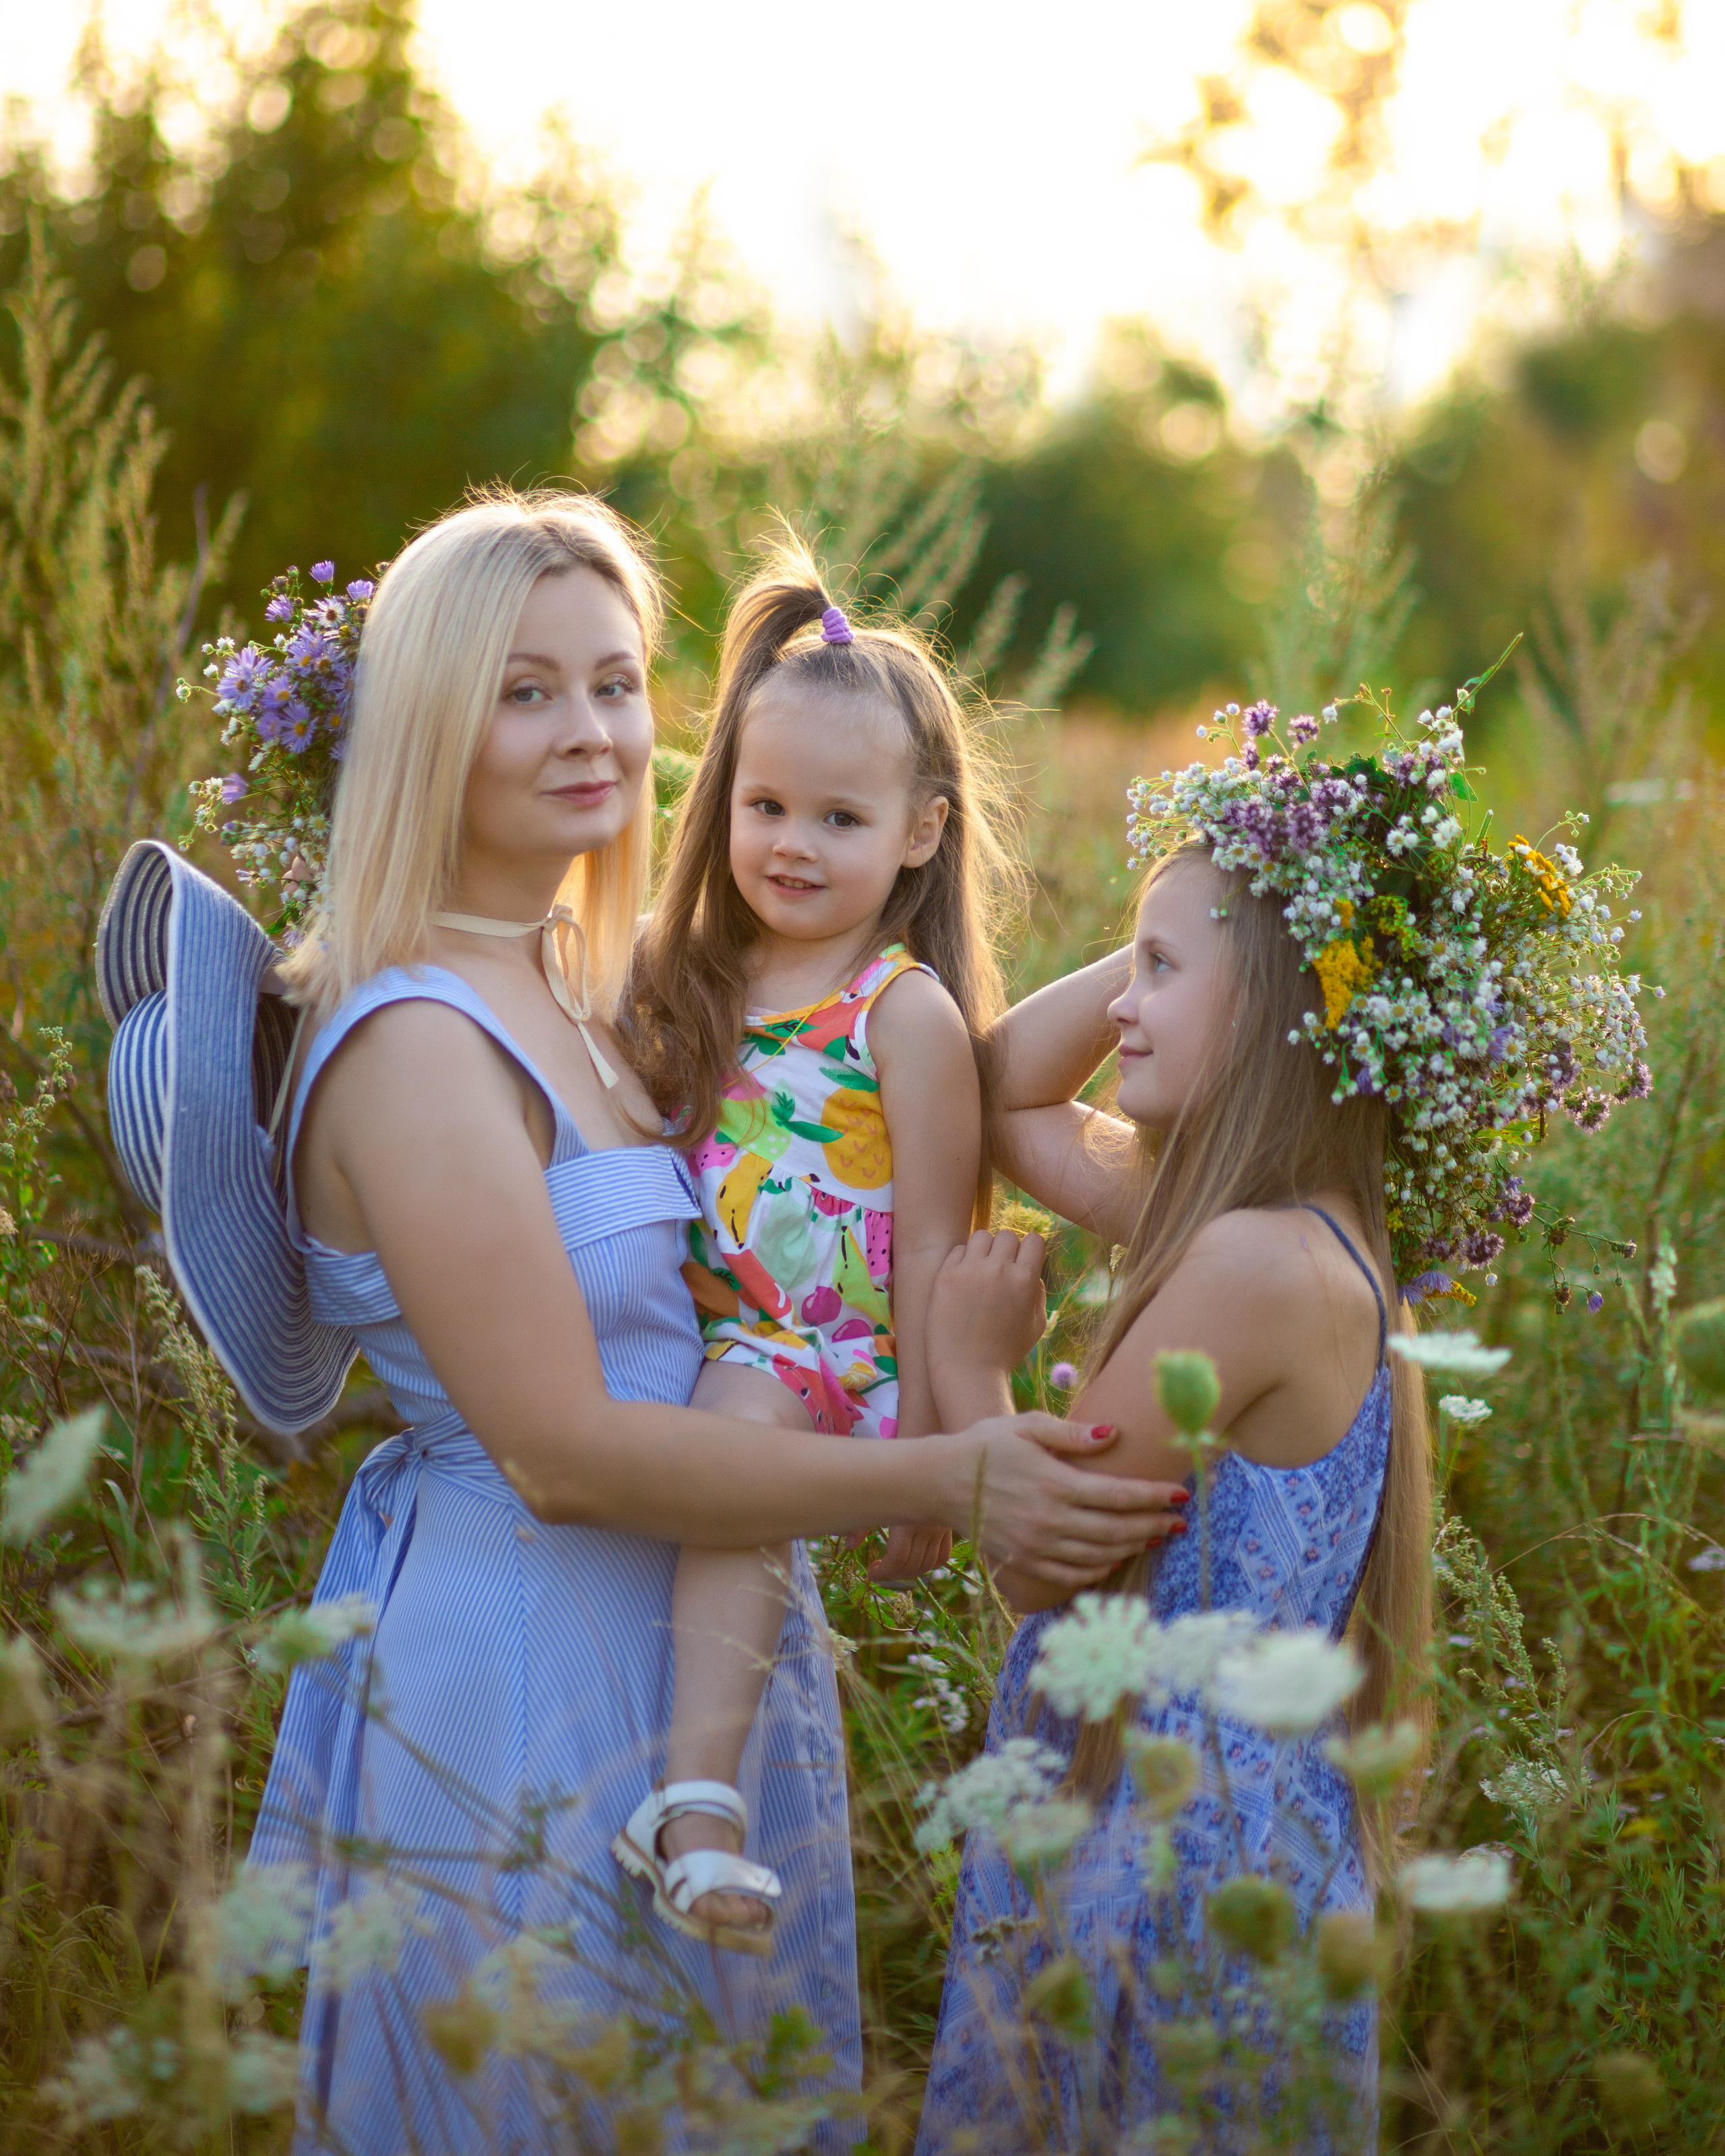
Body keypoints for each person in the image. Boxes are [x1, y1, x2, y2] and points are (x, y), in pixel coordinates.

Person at [99, 488, 1185, 2156]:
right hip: (524, 1660)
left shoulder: (591, 983)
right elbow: (560, 1451)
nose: (592, 730)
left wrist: (1244, 1145)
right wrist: (945, 1474)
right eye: (525, 691)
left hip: (688, 1644)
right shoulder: (414, 1041)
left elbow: (891, 1155)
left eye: (615, 683)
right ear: (426, 722)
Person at [914, 839, 1432, 2151]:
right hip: (1236, 1825)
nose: (1119, 1005)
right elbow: (1001, 1093)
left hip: (1172, 1845)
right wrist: (1235, 883)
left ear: (1267, 1011)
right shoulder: (1279, 1224)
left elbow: (1036, 1563)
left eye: (1156, 970)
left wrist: (971, 1365)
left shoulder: (1252, 1263)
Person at [620, 546, 1015, 1951]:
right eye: (766, 804)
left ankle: (692, 1806)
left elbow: (933, 1242)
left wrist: (928, 1443)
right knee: (711, 1455)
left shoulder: (900, 1012)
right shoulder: (683, 975)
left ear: (920, 832)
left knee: (739, 1456)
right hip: (707, 1337)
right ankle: (682, 1790)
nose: (792, 843)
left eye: (839, 818)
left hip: (822, 1357)